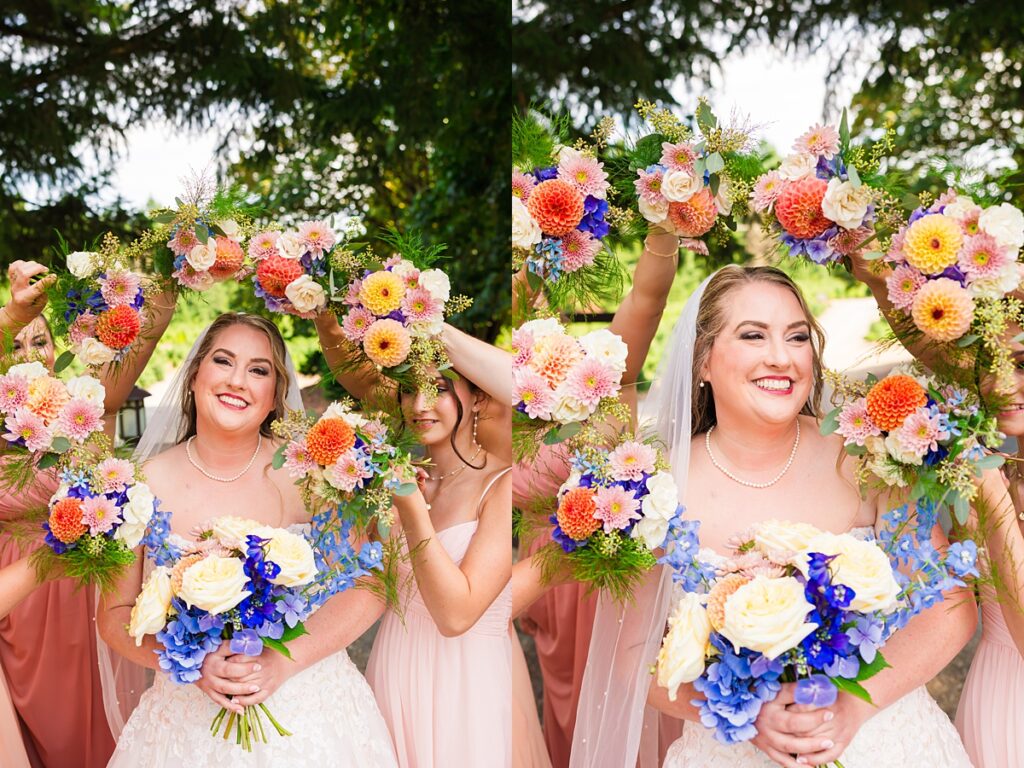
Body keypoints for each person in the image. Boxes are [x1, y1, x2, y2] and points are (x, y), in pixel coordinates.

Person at [572, 266, 976, 768]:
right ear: (703, 361)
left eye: (797, 337)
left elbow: (951, 607)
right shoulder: (652, 490)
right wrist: (743, 714)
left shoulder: (863, 460)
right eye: (753, 335)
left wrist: (852, 705)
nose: (781, 358)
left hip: (886, 742)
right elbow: (631, 656)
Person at [98, 313, 398, 767]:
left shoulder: (313, 477)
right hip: (186, 721)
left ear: (275, 394)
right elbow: (114, 616)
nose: (237, 381)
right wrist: (191, 664)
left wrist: (285, 661)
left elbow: (370, 583)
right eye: (223, 361)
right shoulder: (139, 485)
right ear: (196, 372)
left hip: (311, 714)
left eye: (258, 370)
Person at [511, 228, 682, 767]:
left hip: (615, 568)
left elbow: (648, 298)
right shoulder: (496, 410)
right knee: (571, 715)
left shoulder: (607, 384)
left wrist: (664, 223)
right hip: (546, 582)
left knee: (633, 707)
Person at [316, 315, 515, 767]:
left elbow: (456, 614)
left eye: (441, 389)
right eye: (409, 389)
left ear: (479, 396)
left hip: (465, 688)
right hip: (394, 668)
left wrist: (411, 510)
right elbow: (370, 584)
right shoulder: (404, 478)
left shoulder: (500, 486)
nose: (421, 404)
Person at [0, 259, 172, 768]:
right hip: (13, 594)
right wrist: (11, 312)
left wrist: (180, 248)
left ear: (57, 349)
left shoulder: (86, 407)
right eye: (16, 343)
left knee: (91, 723)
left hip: (80, 584)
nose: (31, 354)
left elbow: (151, 329)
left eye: (41, 341)